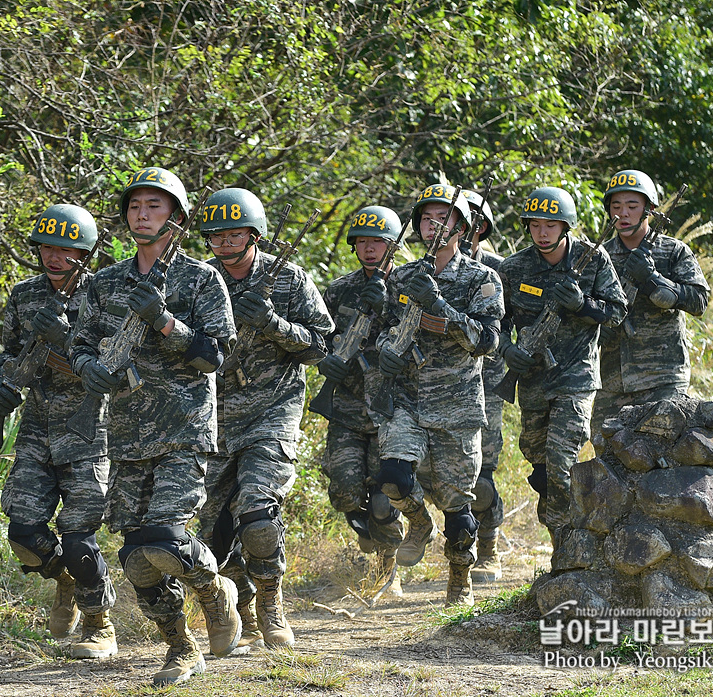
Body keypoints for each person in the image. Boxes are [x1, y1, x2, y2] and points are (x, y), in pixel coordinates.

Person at [69, 167, 241, 686]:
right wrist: (87, 367)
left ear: (177, 219)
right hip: (125, 433)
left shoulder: (201, 278)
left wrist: (166, 322)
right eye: (135, 207)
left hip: (185, 427)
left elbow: (216, 355)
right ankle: (180, 646)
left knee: (165, 539)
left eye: (155, 207)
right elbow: (79, 342)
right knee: (135, 556)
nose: (142, 215)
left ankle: (215, 593)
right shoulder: (104, 282)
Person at [198, 187, 334, 651]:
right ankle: (241, 604)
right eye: (216, 235)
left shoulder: (290, 279)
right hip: (211, 417)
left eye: (235, 233)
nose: (225, 242)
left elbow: (321, 346)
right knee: (213, 530)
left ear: (254, 234)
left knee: (256, 512)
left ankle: (271, 602)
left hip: (271, 412)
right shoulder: (198, 279)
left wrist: (275, 323)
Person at [0, 204, 117, 659]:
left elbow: (113, 370)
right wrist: (0, 387)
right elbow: (9, 354)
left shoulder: (106, 296)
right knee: (22, 532)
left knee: (80, 536)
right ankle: (65, 581)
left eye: (66, 249)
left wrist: (64, 343)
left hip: (89, 430)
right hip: (37, 428)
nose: (55, 257)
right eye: (46, 248)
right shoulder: (24, 296)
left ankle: (99, 622)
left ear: (85, 253)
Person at [375, 184, 504, 606]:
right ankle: (417, 522)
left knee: (458, 505)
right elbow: (381, 330)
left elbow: (486, 341)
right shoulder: (401, 276)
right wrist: (385, 353)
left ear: (462, 227)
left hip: (458, 406)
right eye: (427, 219)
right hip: (408, 400)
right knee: (392, 477)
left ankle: (459, 576)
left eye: (444, 219)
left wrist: (442, 310)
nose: (434, 226)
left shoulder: (483, 279)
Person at [497, 187, 626, 555]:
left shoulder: (593, 259)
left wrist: (583, 304)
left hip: (576, 377)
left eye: (550, 225)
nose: (542, 232)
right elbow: (498, 320)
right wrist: (508, 349)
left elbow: (617, 313)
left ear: (565, 226)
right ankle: (563, 530)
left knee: (561, 461)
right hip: (533, 380)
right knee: (540, 467)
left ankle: (567, 546)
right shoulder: (514, 268)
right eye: (535, 225)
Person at [316, 206, 405, 594]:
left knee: (384, 498)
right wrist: (326, 362)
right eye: (363, 242)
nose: (370, 249)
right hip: (349, 405)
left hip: (391, 406)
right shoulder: (339, 289)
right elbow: (317, 335)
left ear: (392, 245)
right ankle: (369, 532)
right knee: (345, 491)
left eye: (378, 241)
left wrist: (389, 308)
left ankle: (388, 569)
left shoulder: (411, 283)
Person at [593, 170, 709, 446]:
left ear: (649, 210)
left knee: (664, 458)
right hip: (612, 380)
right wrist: (598, 322)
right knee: (608, 457)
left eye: (632, 206)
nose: (623, 214)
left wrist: (653, 279)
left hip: (663, 378)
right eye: (616, 207)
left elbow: (699, 300)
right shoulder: (600, 255)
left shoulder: (673, 252)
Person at [460, 189, 507, 583]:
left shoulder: (499, 269)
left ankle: (488, 547)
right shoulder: (432, 268)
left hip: (489, 383)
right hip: (444, 387)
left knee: (484, 474)